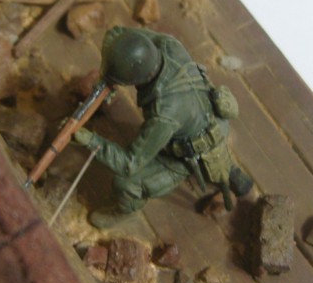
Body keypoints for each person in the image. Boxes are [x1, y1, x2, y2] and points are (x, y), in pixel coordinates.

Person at [73, 26, 253, 228]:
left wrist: (90, 140)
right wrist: (108, 74)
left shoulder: (164, 114)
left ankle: (125, 211)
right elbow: (116, 33)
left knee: (126, 184)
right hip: (215, 121)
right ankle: (227, 168)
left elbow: (129, 163)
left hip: (186, 153)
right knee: (193, 136)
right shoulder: (169, 45)